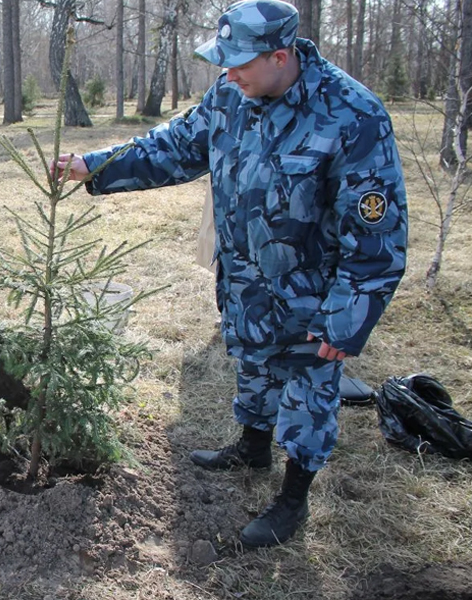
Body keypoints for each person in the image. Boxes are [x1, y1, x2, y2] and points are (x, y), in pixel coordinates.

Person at [53, 0, 407, 549]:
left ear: (281, 56)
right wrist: (93, 166)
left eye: (240, 62)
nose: (229, 72)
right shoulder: (229, 95)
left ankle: (292, 498)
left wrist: (345, 321)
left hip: (313, 299)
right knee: (252, 368)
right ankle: (252, 446)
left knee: (308, 398)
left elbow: (377, 239)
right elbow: (171, 146)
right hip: (245, 283)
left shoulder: (353, 115)